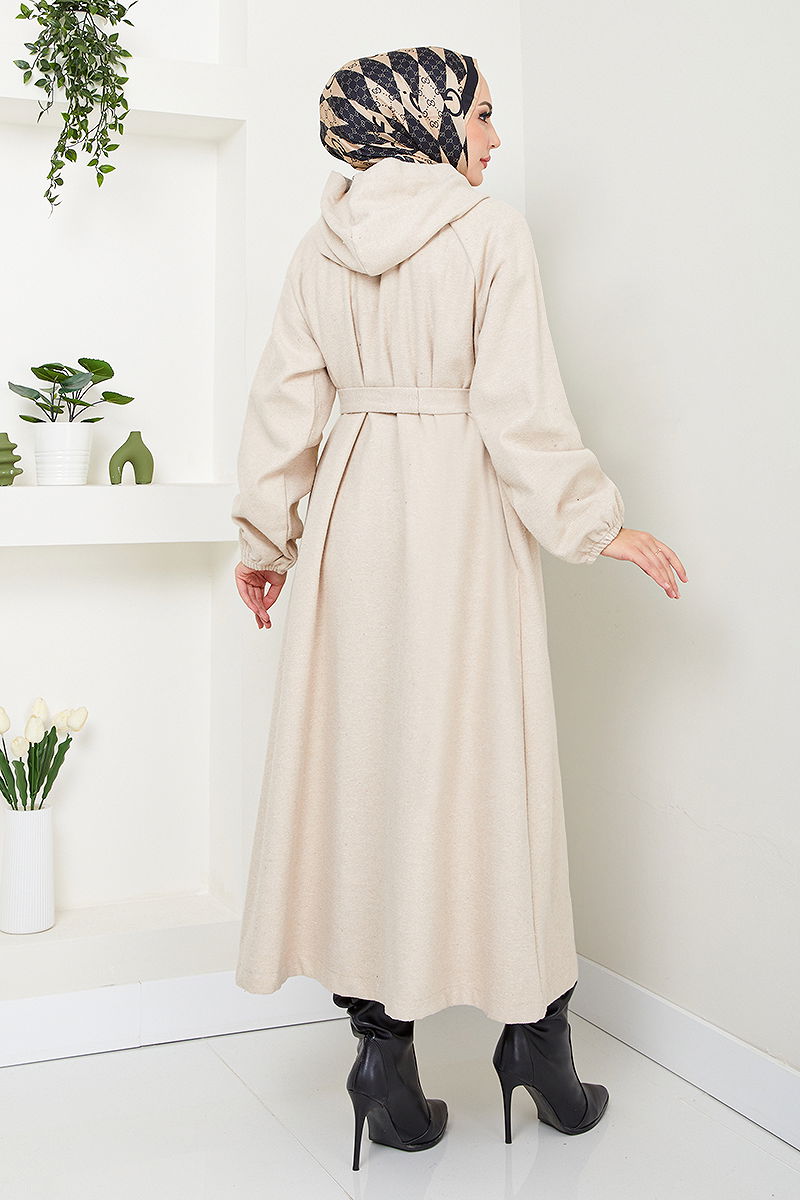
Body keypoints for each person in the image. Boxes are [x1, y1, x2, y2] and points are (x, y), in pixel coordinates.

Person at [230, 46, 688, 1171]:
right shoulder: (489, 233)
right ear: (428, 120)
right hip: (462, 521)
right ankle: (537, 1043)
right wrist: (597, 523)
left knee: (364, 769)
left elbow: (284, 402)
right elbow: (518, 408)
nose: (493, 137)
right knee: (491, 764)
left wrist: (265, 540)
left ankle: (381, 1061)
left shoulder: (319, 244)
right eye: (480, 114)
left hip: (352, 526)